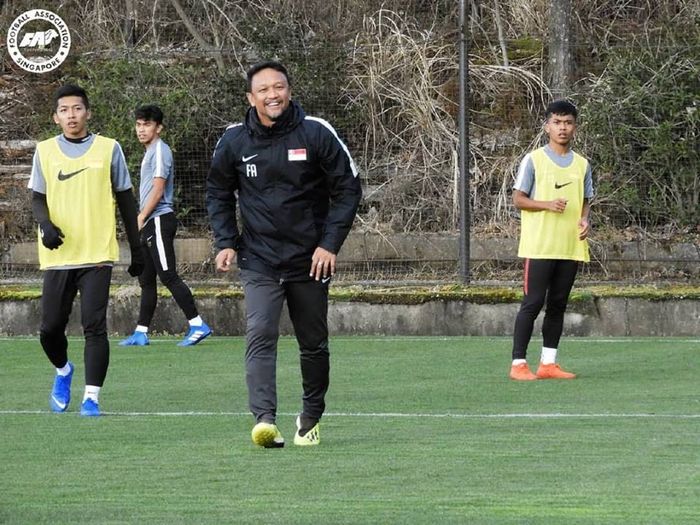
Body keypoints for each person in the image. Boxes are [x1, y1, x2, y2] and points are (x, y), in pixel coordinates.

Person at [207, 61, 362, 447]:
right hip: (258, 258)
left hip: (310, 260)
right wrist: (225, 241)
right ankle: (264, 421)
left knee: (313, 343)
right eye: (263, 89)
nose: (272, 94)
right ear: (251, 97)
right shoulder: (233, 141)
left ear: (289, 91)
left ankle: (310, 417)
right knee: (260, 332)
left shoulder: (316, 132)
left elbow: (348, 189)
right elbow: (218, 193)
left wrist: (329, 244)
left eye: (279, 87)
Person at [28, 84, 144, 416]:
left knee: (95, 325)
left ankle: (91, 397)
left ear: (88, 112)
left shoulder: (109, 149)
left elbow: (125, 199)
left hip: (97, 254)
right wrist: (45, 226)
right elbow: (37, 197)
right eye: (64, 110)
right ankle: (64, 370)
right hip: (58, 256)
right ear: (55, 117)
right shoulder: (45, 151)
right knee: (50, 329)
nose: (71, 115)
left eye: (77, 108)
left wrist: (136, 249)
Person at [509, 99, 594, 381]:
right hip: (540, 245)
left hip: (570, 247)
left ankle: (548, 363)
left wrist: (585, 220)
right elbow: (518, 199)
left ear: (575, 127)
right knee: (532, 303)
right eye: (557, 122)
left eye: (568, 123)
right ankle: (518, 364)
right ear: (547, 126)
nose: (563, 128)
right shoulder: (533, 160)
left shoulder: (582, 165)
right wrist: (546, 204)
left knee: (558, 304)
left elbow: (586, 201)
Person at [119, 105, 211, 347]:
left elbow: (159, 190)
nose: (141, 129)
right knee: (146, 279)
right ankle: (141, 332)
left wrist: (139, 217)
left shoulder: (160, 151)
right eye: (138, 125)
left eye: (146, 125)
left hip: (159, 219)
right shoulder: (149, 151)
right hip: (150, 222)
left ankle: (197, 324)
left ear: (158, 127)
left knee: (168, 275)